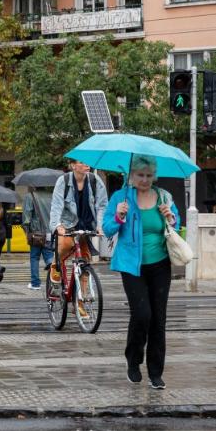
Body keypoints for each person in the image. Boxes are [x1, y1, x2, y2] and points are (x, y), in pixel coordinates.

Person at [103, 155, 178, 390]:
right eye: (140, 175)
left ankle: (156, 372)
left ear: (154, 176)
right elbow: (107, 229)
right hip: (131, 265)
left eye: (148, 175)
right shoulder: (121, 197)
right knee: (142, 314)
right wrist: (119, 216)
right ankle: (133, 361)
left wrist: (171, 217)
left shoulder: (164, 196)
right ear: (131, 176)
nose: (145, 180)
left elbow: (175, 227)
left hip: (160, 264)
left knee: (158, 318)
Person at [49, 160, 108, 317]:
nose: (86, 164)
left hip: (87, 224)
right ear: (73, 166)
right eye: (82, 162)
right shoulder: (64, 181)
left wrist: (100, 226)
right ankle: (55, 264)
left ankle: (79, 303)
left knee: (85, 264)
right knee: (64, 244)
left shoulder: (95, 181)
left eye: (87, 162)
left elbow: (102, 205)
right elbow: (56, 206)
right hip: (68, 224)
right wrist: (57, 226)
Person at [22, 187, 54, 290]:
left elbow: (27, 217)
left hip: (36, 234)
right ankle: (54, 280)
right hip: (50, 232)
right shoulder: (52, 196)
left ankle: (35, 283)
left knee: (34, 257)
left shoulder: (30, 196)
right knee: (49, 255)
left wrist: (26, 230)